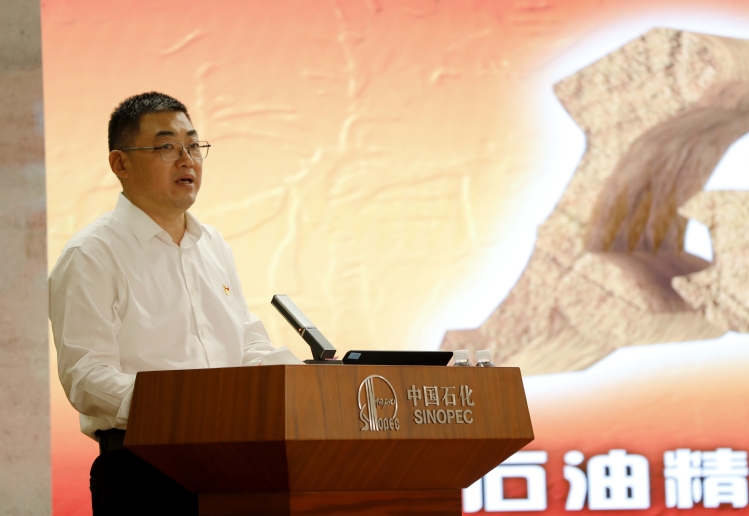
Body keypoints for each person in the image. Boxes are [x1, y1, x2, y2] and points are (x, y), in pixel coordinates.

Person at [49, 92, 302, 515]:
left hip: (236, 466)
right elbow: (86, 376)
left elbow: (246, 344)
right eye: (166, 146)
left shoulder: (213, 244)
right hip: (144, 471)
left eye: (194, 145)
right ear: (120, 164)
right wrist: (184, 411)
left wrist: (303, 388)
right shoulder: (91, 254)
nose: (187, 160)